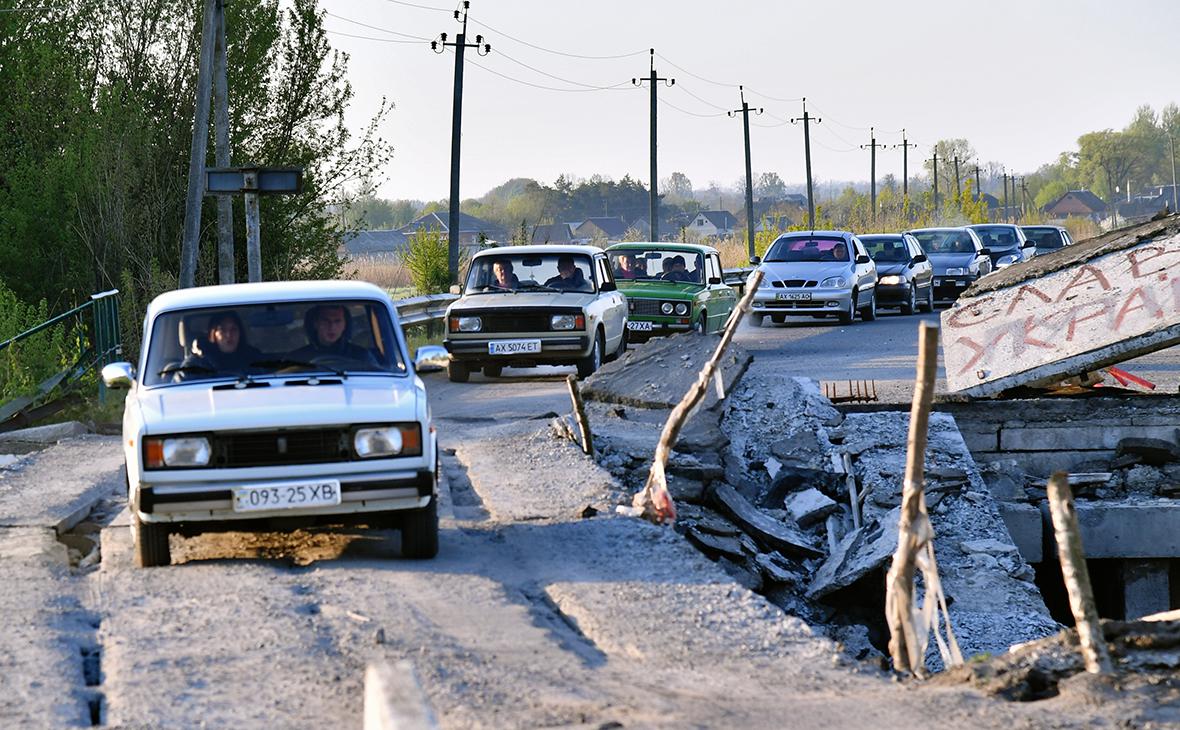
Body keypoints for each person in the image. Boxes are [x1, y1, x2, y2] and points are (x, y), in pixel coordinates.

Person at [293, 304, 378, 366]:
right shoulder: (296, 358)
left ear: (345, 325)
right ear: (316, 324)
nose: (332, 327)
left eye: (337, 321)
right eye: (326, 321)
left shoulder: (362, 357)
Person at [185, 311, 261, 375]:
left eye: (233, 329)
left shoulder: (254, 359)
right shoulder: (198, 362)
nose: (229, 335)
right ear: (213, 334)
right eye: (222, 330)